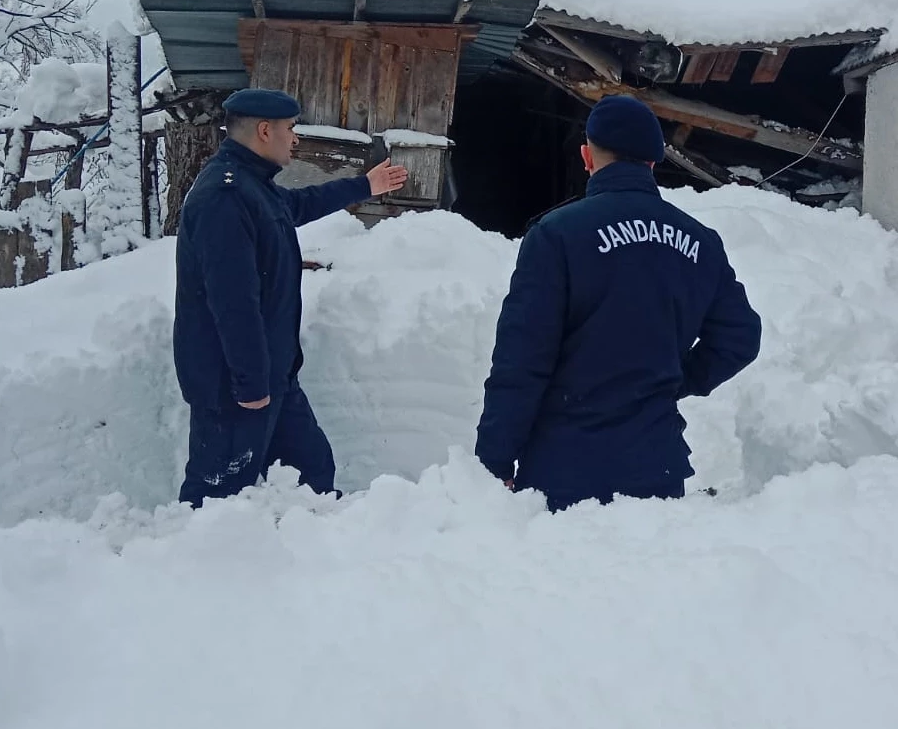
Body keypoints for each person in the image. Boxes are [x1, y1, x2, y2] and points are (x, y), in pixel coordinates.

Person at [475, 94, 762, 512]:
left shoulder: (557, 236)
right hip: (658, 470)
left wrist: (494, 459)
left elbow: (521, 360)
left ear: (586, 157)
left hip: (564, 475)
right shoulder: (700, 242)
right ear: (653, 162)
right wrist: (673, 380)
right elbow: (740, 337)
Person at [173, 88, 409, 506]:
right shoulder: (224, 198)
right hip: (234, 385)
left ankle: (307, 541)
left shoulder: (254, 187)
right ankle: (197, 544)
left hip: (273, 375)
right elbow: (233, 303)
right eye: (290, 128)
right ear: (265, 131)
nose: (295, 138)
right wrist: (250, 385)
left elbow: (298, 206)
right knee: (216, 495)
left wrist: (364, 185)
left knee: (312, 475)